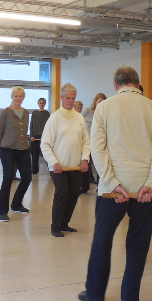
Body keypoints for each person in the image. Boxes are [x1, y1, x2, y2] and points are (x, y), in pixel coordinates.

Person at [78, 67, 152, 301]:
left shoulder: (104, 108)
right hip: (145, 191)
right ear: (138, 83)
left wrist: (111, 182)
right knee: (138, 244)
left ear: (115, 84)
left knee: (102, 240)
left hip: (112, 191)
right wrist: (151, 183)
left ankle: (95, 294)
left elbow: (98, 149)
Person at [41, 84, 90, 237]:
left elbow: (86, 142)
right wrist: (54, 162)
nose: (71, 101)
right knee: (62, 192)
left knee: (74, 192)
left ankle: (64, 223)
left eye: (73, 98)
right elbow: (45, 144)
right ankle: (55, 227)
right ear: (62, 98)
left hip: (75, 166)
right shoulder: (54, 118)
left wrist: (84, 159)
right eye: (68, 98)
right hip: (58, 167)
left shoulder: (79, 118)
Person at [0, 86, 32, 222]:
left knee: (27, 177)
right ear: (12, 96)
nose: (18, 98)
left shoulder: (26, 113)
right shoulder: (6, 112)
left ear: (23, 98)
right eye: (16, 96)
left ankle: (16, 204)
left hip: (23, 149)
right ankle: (2, 211)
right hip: (8, 149)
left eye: (21, 96)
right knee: (8, 178)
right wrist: (1, 151)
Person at [81, 93, 107, 194]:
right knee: (85, 163)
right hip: (87, 141)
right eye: (99, 101)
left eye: (103, 102)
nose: (100, 103)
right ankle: (84, 186)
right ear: (95, 101)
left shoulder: (105, 112)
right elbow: (80, 123)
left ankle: (100, 186)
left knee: (100, 164)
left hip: (99, 142)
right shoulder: (87, 111)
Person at [29, 97, 50, 175]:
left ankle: (50, 169)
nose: (41, 104)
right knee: (35, 155)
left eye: (43, 103)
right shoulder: (34, 113)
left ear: (45, 104)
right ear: (38, 104)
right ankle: (34, 170)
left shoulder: (47, 114)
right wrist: (31, 135)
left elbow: (49, 125)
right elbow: (31, 125)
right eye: (40, 103)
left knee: (47, 154)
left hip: (44, 136)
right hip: (35, 137)